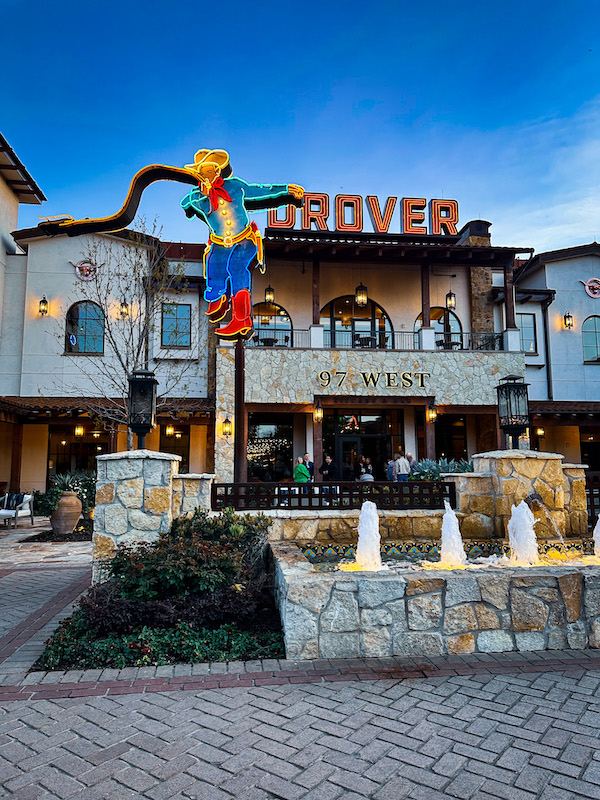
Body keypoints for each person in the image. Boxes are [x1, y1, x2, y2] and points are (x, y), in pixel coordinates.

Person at [180, 149, 304, 339]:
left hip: (245, 239)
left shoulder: (235, 186)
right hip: (219, 242)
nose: (208, 174)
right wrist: (198, 198)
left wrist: (286, 189)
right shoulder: (196, 196)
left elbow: (261, 190)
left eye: (211, 169)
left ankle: (242, 318)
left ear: (218, 170)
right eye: (203, 171)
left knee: (236, 268)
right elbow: (189, 204)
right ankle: (217, 299)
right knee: (214, 269)